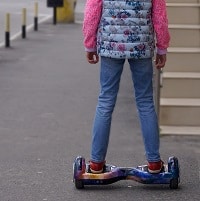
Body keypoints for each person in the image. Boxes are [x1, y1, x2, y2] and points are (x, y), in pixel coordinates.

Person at [82, 0, 170, 174]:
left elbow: (92, 12)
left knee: (106, 101)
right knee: (145, 102)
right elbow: (160, 16)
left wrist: (89, 44)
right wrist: (162, 48)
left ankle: (96, 163)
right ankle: (154, 162)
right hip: (142, 46)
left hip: (110, 45)